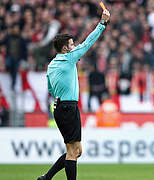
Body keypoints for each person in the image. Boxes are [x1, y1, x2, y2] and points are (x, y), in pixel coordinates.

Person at [37, 9, 110, 180]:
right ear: (64, 48)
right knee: (72, 152)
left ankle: (46, 178)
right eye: (71, 44)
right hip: (68, 108)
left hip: (61, 107)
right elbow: (87, 44)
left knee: (77, 150)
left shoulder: (52, 65)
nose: (74, 46)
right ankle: (48, 178)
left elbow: (50, 89)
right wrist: (102, 24)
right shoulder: (68, 59)